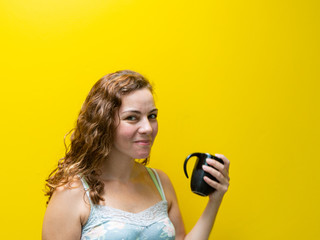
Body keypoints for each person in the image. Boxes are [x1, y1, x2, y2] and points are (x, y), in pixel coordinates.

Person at [42, 70, 230, 240]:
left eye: (152, 116)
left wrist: (215, 200)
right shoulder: (71, 194)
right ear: (103, 124)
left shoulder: (160, 182)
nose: (148, 128)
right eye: (132, 117)